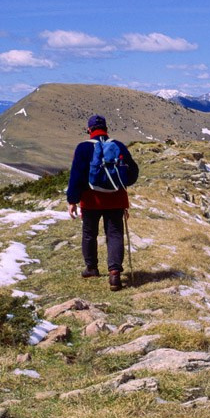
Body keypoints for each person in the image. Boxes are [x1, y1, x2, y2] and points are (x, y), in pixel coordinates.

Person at [66, 114, 139, 291]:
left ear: (89, 129)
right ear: (106, 129)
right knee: (114, 234)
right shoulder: (118, 145)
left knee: (89, 233)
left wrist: (72, 200)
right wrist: (121, 185)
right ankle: (114, 274)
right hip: (116, 199)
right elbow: (133, 172)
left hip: (91, 201)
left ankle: (91, 268)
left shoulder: (83, 148)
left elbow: (76, 176)